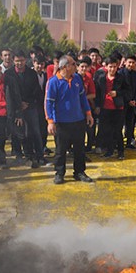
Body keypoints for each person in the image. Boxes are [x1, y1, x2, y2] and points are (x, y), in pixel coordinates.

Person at [45, 55, 94, 184]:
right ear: (65, 67)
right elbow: (49, 103)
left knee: (79, 149)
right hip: (61, 122)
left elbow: (83, 97)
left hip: (78, 120)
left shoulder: (77, 78)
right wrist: (50, 121)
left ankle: (79, 172)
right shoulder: (53, 82)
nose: (75, 66)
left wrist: (88, 113)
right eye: (73, 64)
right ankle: (59, 173)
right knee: (61, 150)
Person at [94, 56, 128, 160]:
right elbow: (98, 93)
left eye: (114, 67)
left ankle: (121, 151)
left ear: (117, 66)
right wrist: (98, 106)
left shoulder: (121, 78)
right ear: (106, 67)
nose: (112, 69)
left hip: (118, 108)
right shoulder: (101, 78)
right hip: (105, 107)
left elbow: (127, 91)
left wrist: (117, 93)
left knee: (117, 131)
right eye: (110, 67)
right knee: (107, 130)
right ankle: (109, 150)